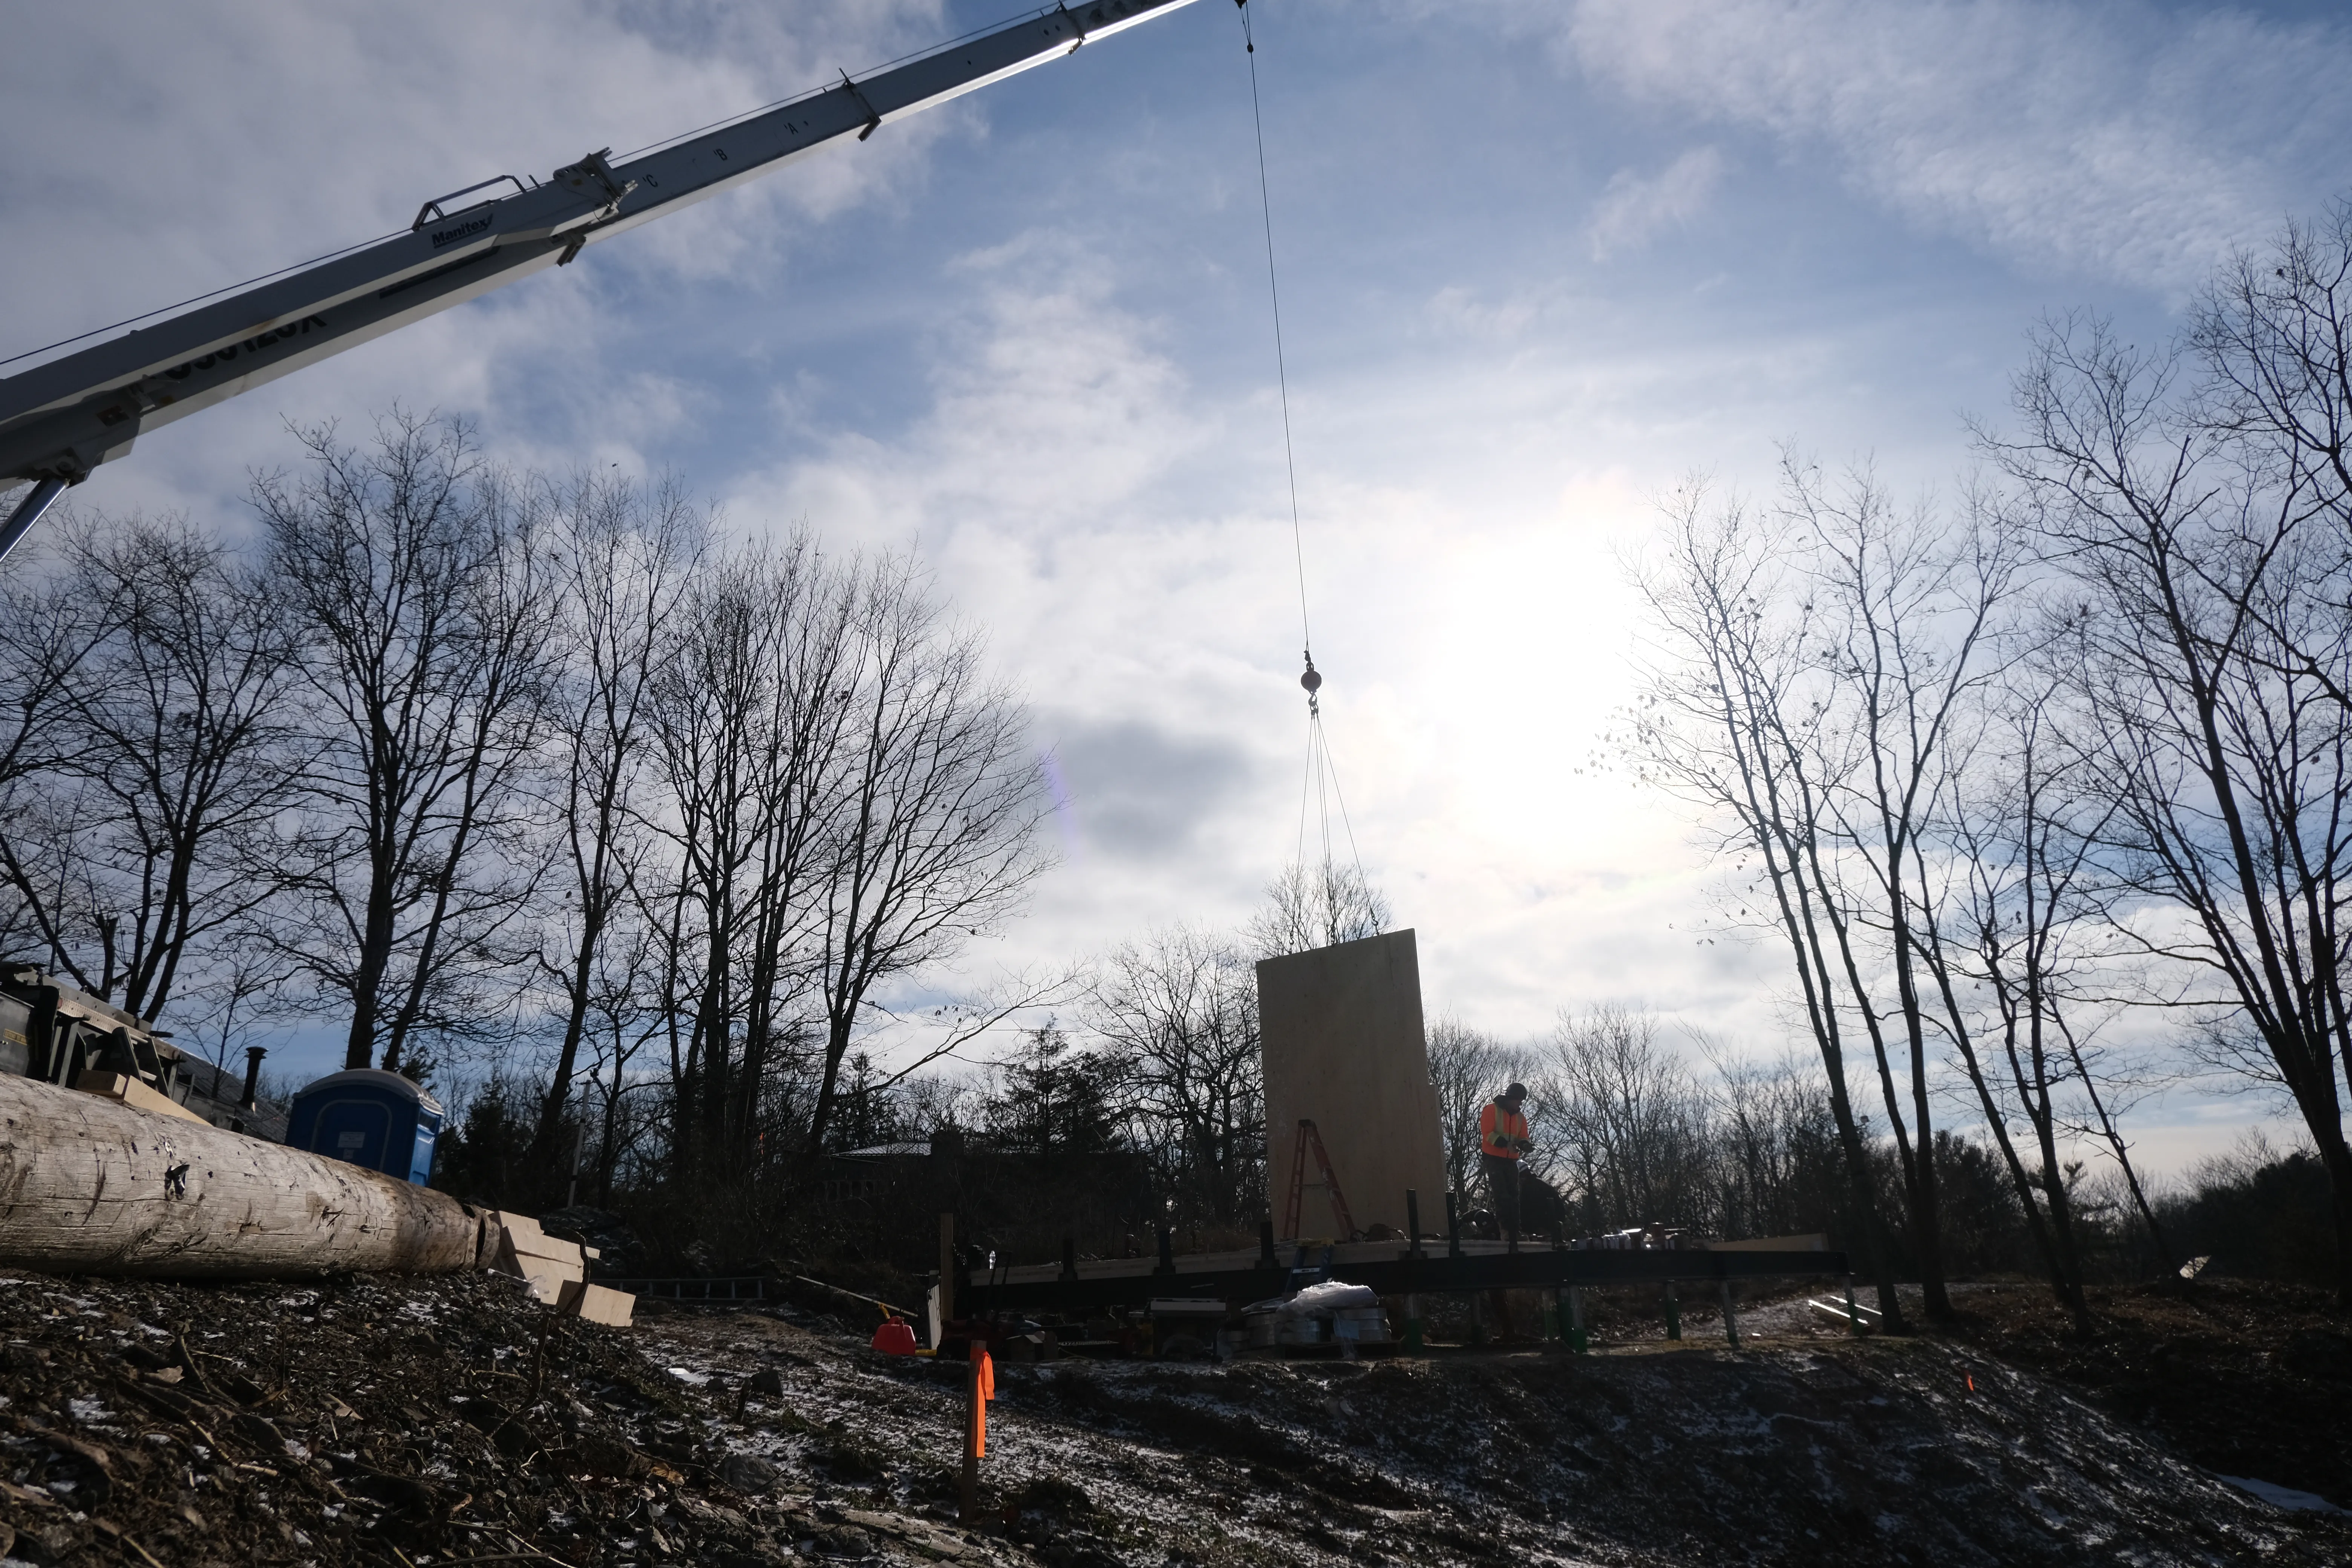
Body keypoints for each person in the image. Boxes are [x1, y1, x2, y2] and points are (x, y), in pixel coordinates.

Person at [1478, 1082, 1533, 1246]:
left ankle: (1515, 1231)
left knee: (1513, 1196)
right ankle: (1506, 1231)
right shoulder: (1491, 1110)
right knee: (1502, 1194)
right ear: (1512, 1099)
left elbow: (1523, 1136)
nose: (1521, 1104)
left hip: (1511, 1159)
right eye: (1519, 1100)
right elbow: (1488, 1133)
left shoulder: (1520, 1117)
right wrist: (1505, 1144)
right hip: (1493, 1158)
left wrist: (1525, 1144)